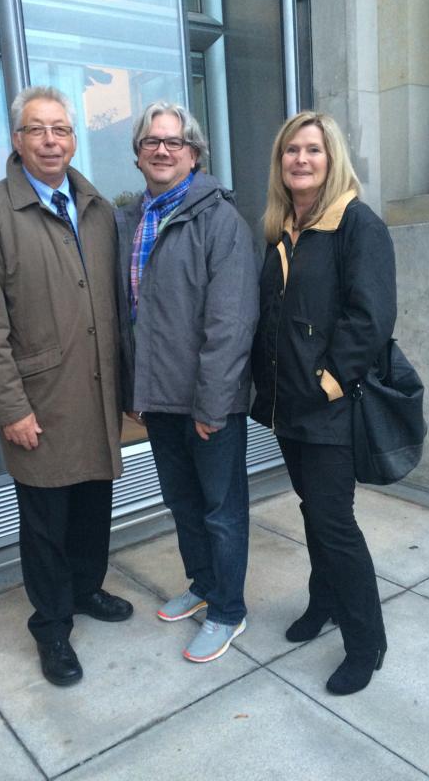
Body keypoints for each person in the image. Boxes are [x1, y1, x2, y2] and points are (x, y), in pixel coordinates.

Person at [0, 85, 133, 687]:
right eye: (37, 130)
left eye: (60, 129)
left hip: (98, 394)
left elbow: (114, 304)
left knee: (93, 508)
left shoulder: (99, 209)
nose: (51, 140)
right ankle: (52, 628)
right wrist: (10, 408)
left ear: (73, 138)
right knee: (46, 525)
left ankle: (86, 592)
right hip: (39, 403)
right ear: (16, 140)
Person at [251, 111, 396, 695]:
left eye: (313, 150)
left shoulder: (357, 225)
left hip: (331, 407)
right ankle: (325, 602)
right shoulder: (280, 230)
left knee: (335, 524)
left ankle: (367, 642)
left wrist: (329, 382)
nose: (301, 160)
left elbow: (372, 318)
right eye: (291, 151)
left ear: (331, 159)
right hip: (289, 410)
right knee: (313, 512)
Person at [115, 101, 259, 663]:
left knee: (222, 509)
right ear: (138, 154)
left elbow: (231, 323)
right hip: (159, 399)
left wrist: (214, 403)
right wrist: (136, 392)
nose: (162, 150)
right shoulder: (131, 221)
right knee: (182, 502)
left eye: (174, 142)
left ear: (194, 154)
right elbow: (133, 317)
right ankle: (203, 585)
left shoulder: (220, 221)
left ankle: (228, 610)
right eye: (152, 141)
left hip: (207, 403)